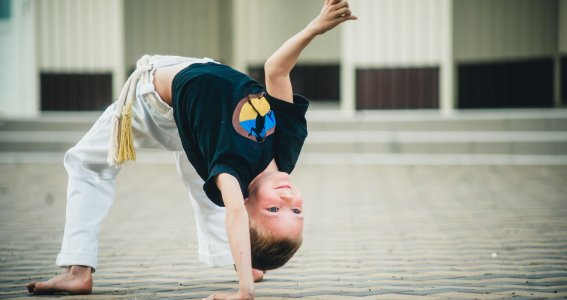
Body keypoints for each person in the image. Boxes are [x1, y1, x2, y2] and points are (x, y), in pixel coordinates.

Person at [27, 0, 356, 298]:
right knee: (204, 187)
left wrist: (245, 293)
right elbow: (275, 70)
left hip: (155, 103)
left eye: (274, 211)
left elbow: (236, 213)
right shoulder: (286, 148)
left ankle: (78, 270)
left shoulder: (232, 171)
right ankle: (244, 260)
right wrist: (315, 27)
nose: (288, 201)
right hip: (199, 113)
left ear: (246, 202)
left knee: (86, 163)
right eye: (296, 211)